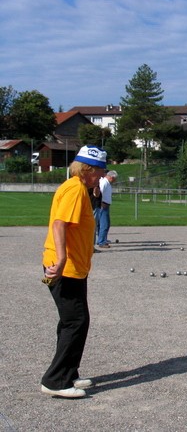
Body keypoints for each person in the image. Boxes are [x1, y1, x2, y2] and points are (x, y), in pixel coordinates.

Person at [41, 145, 107, 398]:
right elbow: (59, 224)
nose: (102, 176)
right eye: (99, 171)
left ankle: (68, 373)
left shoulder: (79, 188)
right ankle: (55, 380)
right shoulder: (74, 189)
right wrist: (61, 259)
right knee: (75, 321)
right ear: (87, 169)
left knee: (73, 321)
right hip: (65, 269)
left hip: (74, 268)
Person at [96, 170, 118, 249]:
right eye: (114, 179)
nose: (114, 181)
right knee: (104, 224)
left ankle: (102, 239)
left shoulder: (107, 183)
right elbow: (99, 193)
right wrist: (100, 203)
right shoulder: (104, 182)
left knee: (104, 224)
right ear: (111, 177)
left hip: (105, 205)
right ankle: (101, 241)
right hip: (103, 205)